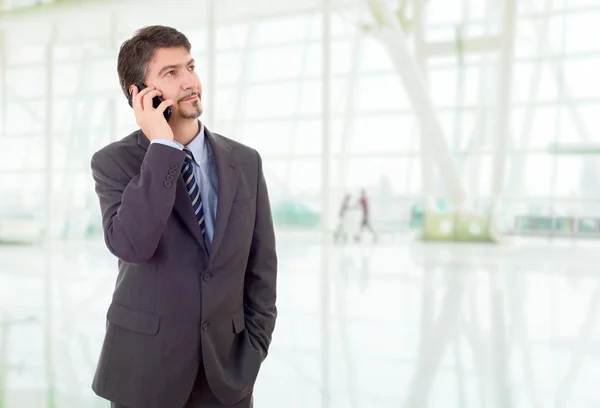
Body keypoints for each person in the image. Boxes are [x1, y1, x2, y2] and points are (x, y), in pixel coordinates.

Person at [89, 25, 277, 408]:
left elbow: (262, 270)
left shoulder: (244, 161)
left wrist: (253, 349)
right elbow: (131, 245)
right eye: (171, 73)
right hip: (145, 374)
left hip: (228, 377)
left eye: (190, 66)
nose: (191, 81)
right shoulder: (114, 162)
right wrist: (163, 147)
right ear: (140, 94)